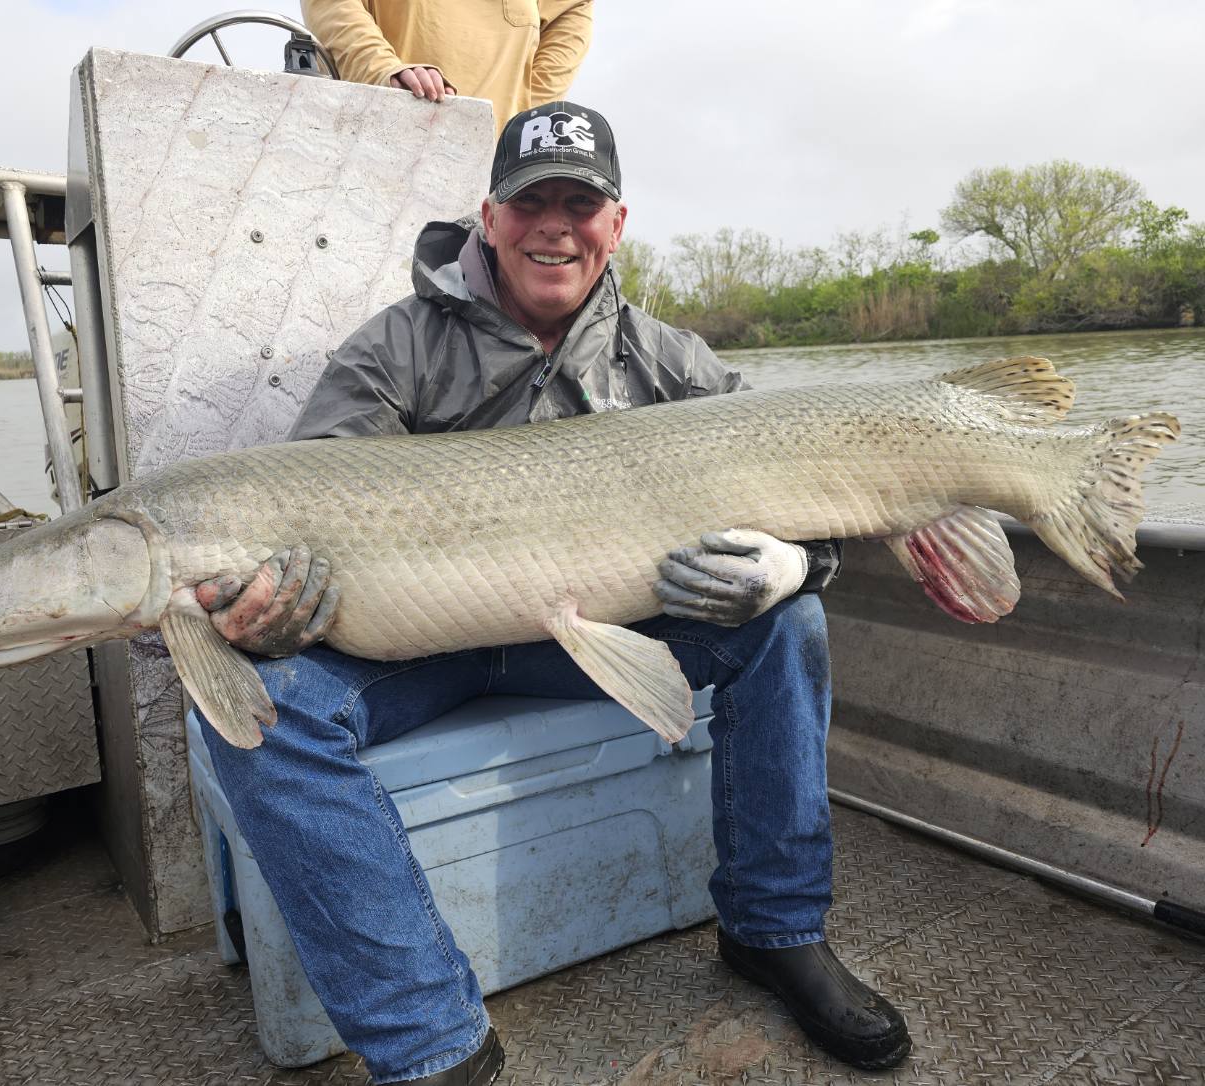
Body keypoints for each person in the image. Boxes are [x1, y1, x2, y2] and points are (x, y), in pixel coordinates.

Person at [192, 102, 912, 1084]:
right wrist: (276, 603)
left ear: (615, 226)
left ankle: (772, 930)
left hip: (579, 632)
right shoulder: (392, 348)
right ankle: (432, 1044)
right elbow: (311, 490)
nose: (554, 226)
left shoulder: (668, 364)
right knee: (258, 710)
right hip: (417, 648)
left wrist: (792, 563)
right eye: (532, 202)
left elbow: (810, 484)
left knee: (787, 623)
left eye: (581, 203)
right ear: (489, 218)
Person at [299, 0, 593, 135]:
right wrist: (383, 70)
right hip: (376, 150)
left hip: (492, 187)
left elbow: (570, 14)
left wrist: (520, 129)